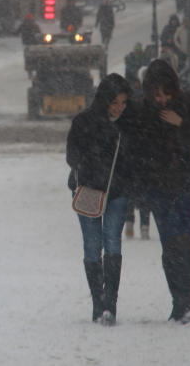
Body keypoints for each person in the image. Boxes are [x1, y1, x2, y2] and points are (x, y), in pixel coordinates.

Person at [124, 59, 190, 323]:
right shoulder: (142, 113)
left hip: (187, 185)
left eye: (165, 93)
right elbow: (136, 150)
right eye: (156, 94)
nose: (161, 100)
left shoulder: (189, 106)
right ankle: (178, 302)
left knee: (184, 242)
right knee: (169, 245)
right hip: (158, 188)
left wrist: (182, 124)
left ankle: (186, 302)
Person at [66, 73, 132, 326]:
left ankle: (110, 304)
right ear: (104, 100)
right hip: (90, 190)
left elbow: (131, 160)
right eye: (115, 102)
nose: (119, 108)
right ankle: (98, 302)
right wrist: (93, 166)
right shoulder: (84, 122)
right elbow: (72, 155)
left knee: (112, 242)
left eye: (123, 103)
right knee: (93, 245)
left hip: (116, 191)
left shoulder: (127, 125)